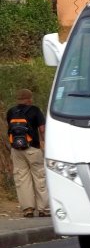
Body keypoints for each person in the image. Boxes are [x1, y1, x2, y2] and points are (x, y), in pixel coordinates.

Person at [5, 89, 49, 217]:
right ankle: (44, 209)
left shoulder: (11, 111)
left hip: (16, 150)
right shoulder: (35, 110)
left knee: (22, 179)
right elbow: (42, 129)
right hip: (33, 149)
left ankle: (28, 209)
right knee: (40, 178)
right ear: (29, 99)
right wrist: (46, 144)